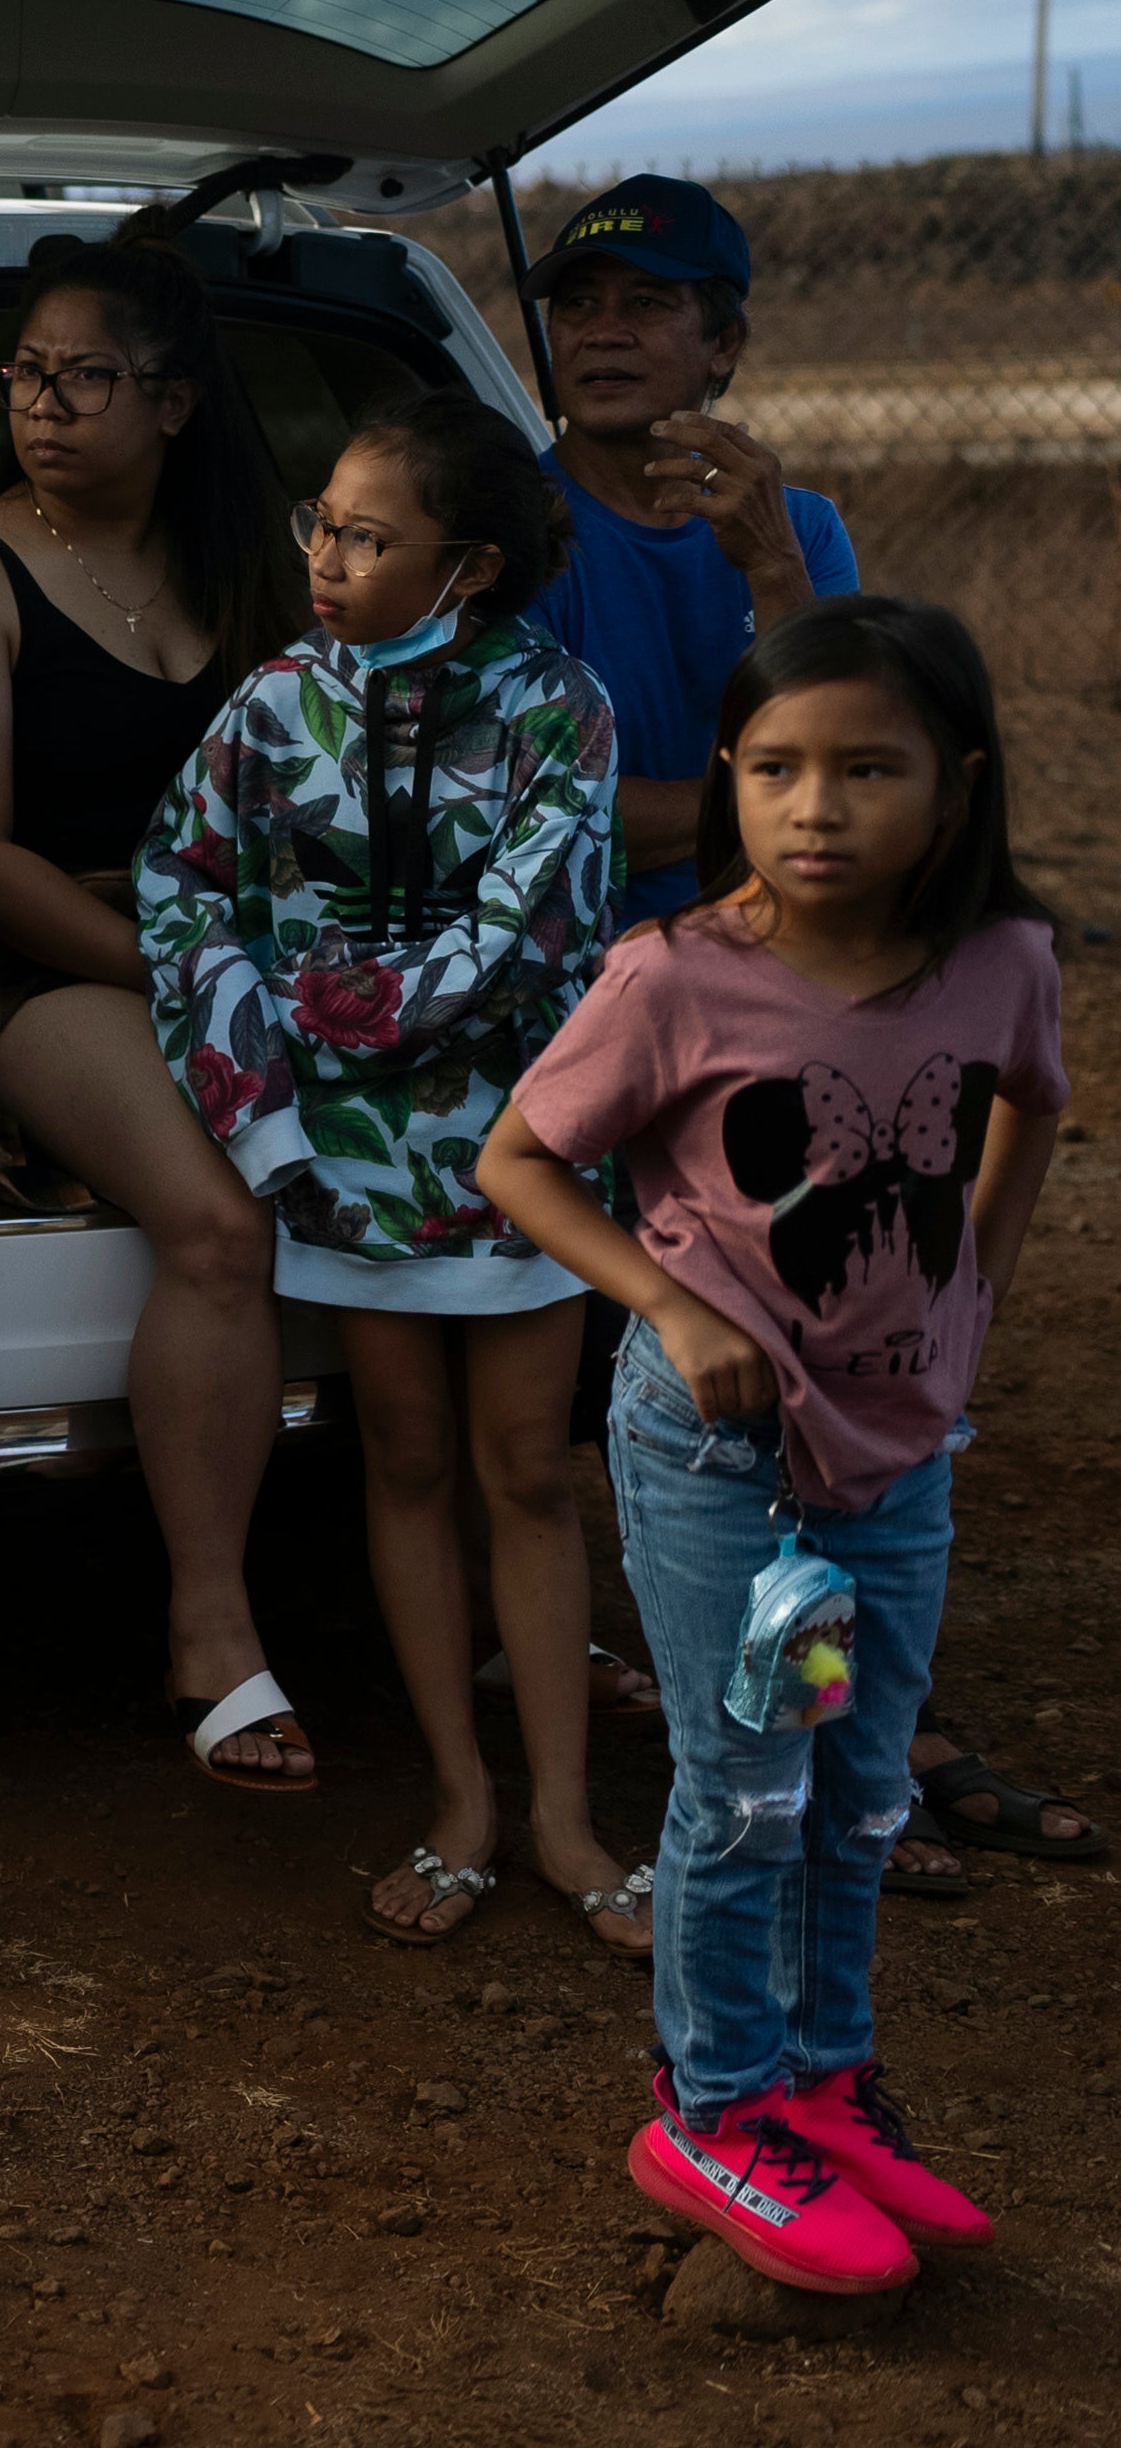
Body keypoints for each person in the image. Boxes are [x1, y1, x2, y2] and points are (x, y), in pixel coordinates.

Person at [481, 597, 1065, 2294]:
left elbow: (1029, 1097)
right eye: (774, 767)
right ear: (728, 777)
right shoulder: (673, 978)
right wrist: (667, 1307)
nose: (813, 807)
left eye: (864, 769)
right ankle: (711, 2102)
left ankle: (817, 2080)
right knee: (747, 1787)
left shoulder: (997, 960)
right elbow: (515, 1160)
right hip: (725, 1467)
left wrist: (977, 1298)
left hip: (892, 1461)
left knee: (858, 1786)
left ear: (951, 789)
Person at [518, 175, 1094, 1890]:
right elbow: (552, 804)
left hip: (809, 1011)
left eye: (649, 305)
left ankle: (860, 1731)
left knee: (845, 1358)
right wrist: (762, 824)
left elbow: (848, 727)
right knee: (695, 1395)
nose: (602, 332)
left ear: (727, 341)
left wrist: (768, 567)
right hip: (618, 1001)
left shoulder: (803, 530)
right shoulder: (522, 534)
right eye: (576, 306)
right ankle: (741, 1744)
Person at [138, 391, 642, 1953]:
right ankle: (459, 1798)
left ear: (467, 565)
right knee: (404, 1461)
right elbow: (180, 886)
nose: (327, 558)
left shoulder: (564, 707)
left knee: (524, 1474)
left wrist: (320, 998)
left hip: (517, 1152)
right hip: (338, 1161)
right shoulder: (275, 700)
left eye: (367, 536)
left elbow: (528, 927)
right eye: (322, 525)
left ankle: (560, 1810)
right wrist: (267, 1111)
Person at [0, 231, 314, 1795]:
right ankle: (210, 1625)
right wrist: (184, 975)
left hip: (240, 948)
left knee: (433, 1175)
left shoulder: (253, 561)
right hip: (26, 958)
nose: (42, 406)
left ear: (175, 402)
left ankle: (467, 1577)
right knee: (215, 1223)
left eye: (84, 377)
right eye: (24, 375)